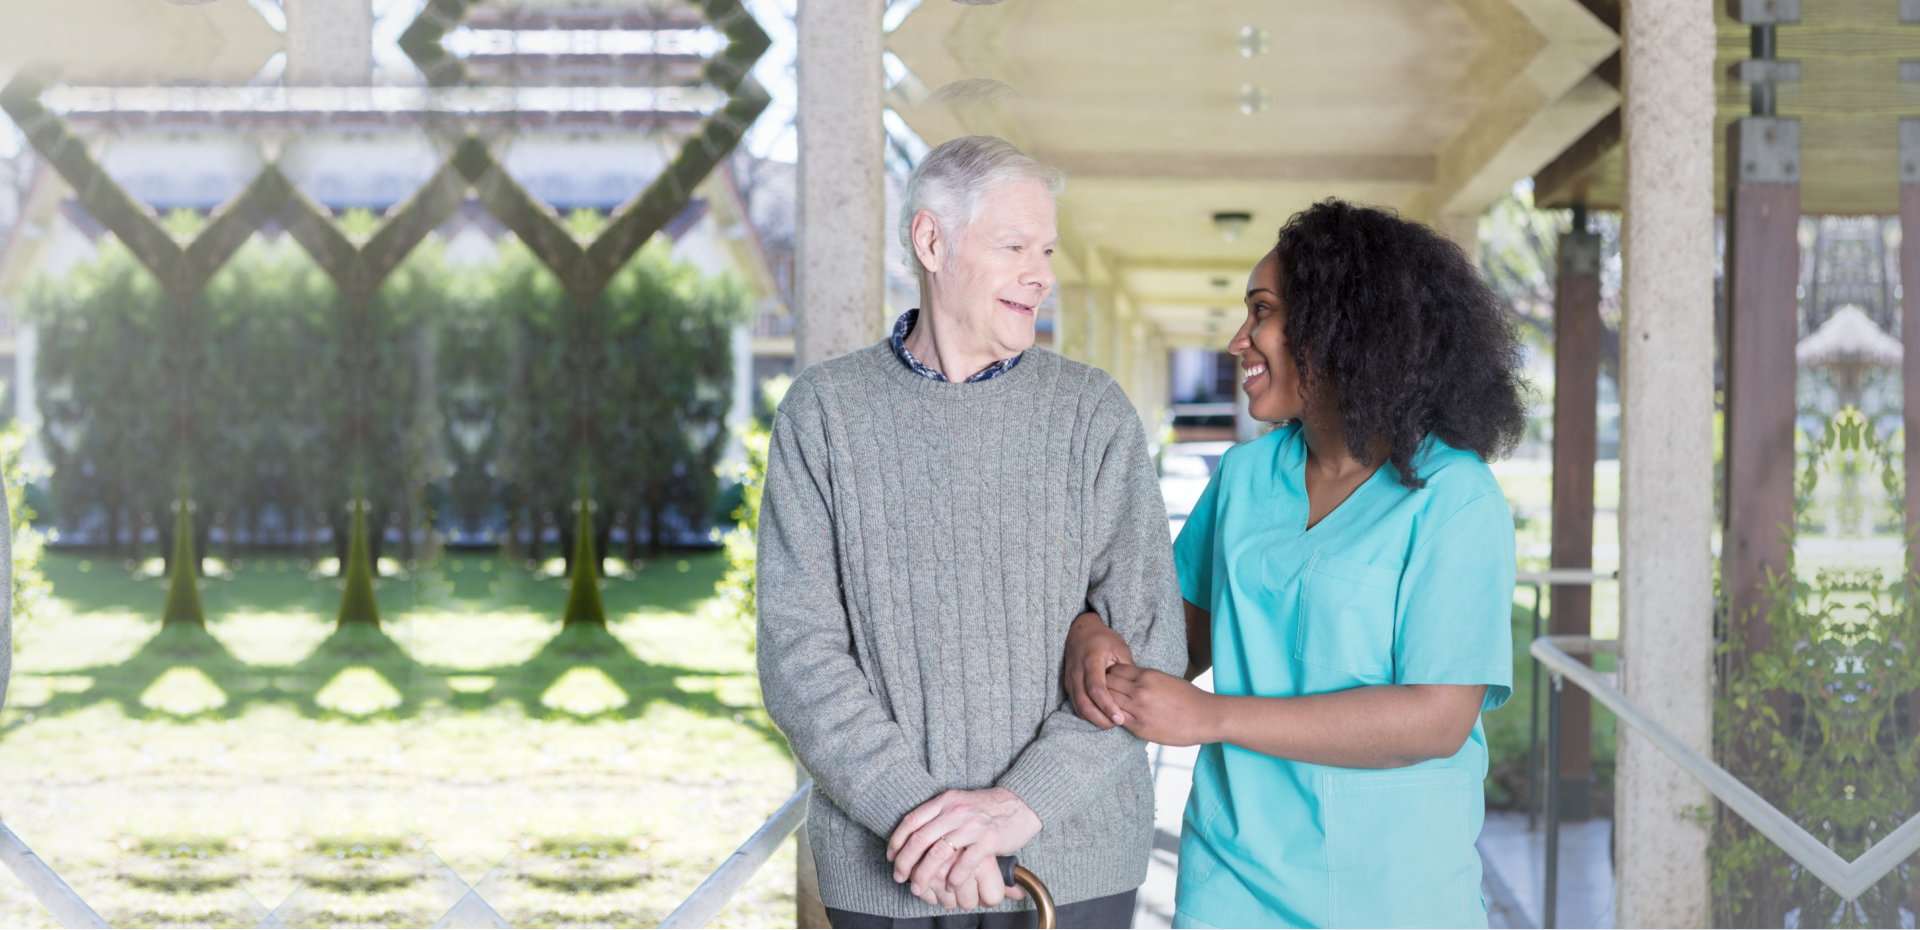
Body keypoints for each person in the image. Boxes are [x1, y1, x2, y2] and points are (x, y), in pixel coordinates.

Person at [755, 134, 1185, 929]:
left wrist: (1020, 807)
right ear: (931, 241)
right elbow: (797, 650)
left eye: (1047, 250)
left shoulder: (1092, 414)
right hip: (888, 865)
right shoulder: (823, 414)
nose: (1042, 274)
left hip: (1073, 863)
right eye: (1015, 245)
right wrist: (927, 823)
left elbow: (1152, 643)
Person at [1064, 199, 1526, 928]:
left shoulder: (1455, 498)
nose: (1238, 339)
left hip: (1396, 894)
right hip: (1233, 883)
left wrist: (1213, 718)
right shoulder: (1246, 480)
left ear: (1344, 326)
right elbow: (1172, 645)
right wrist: (1091, 631)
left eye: (1262, 312)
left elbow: (1436, 718)